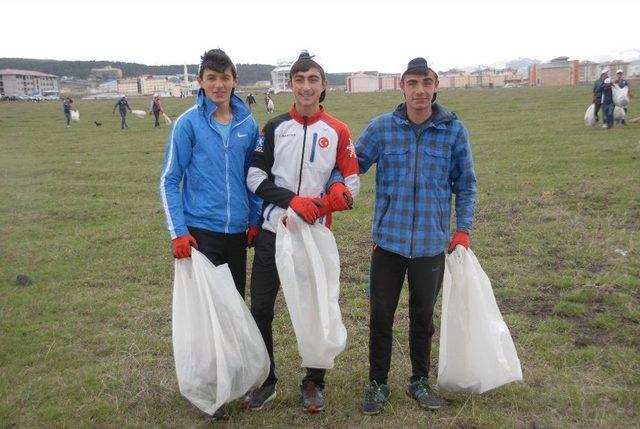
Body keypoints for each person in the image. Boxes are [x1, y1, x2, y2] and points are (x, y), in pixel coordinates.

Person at [355, 57, 477, 415]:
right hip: (388, 243)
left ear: (435, 86)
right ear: (402, 86)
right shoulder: (382, 128)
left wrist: (463, 229)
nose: (420, 90)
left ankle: (419, 380)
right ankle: (378, 383)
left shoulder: (453, 130)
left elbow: (466, 183)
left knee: (423, 316)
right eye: (412, 83)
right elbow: (352, 166)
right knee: (381, 315)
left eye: (426, 83)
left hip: (430, 244)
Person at [243, 50, 360, 414]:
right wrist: (292, 201)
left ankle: (314, 381)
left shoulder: (338, 130)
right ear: (291, 85)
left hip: (313, 235)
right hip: (272, 231)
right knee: (260, 307)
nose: (306, 86)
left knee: (314, 308)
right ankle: (266, 380)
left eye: (313, 80)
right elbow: (254, 175)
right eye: (299, 80)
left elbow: (352, 182)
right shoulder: (274, 127)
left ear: (324, 85)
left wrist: (327, 203)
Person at [159, 49, 262, 421]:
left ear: (235, 81)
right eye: (211, 78)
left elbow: (253, 179)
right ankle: (208, 390)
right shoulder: (187, 124)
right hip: (200, 234)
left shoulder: (248, 125)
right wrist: (178, 232)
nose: (219, 85)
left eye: (225, 77)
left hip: (236, 234)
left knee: (233, 307)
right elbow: (170, 179)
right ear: (200, 82)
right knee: (206, 315)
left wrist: (253, 219)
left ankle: (232, 379)